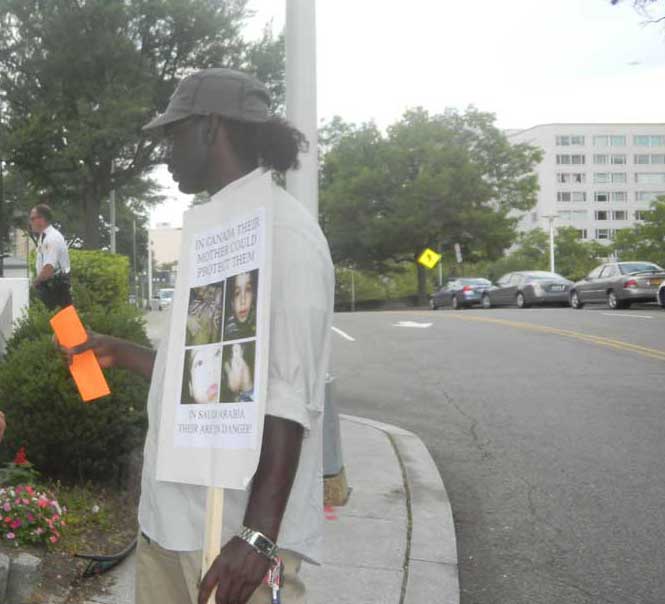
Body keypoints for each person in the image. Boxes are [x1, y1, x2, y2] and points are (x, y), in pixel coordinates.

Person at [57, 68, 334, 604]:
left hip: (228, 542)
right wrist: (119, 351)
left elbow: (286, 395)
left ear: (212, 127)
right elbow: (217, 371)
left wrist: (256, 538)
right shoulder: (217, 228)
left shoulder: (283, 234)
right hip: (173, 523)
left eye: (173, 134)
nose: (166, 152)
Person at [30, 204, 72, 310]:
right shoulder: (45, 237)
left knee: (63, 324)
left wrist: (34, 284)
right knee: (64, 324)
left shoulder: (51, 238)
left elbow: (48, 269)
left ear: (41, 219)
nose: (31, 222)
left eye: (32, 218)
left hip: (55, 288)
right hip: (54, 287)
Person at [224, 271, 257, 340]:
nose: (243, 301)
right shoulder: (227, 333)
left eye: (248, 289)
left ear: (253, 295)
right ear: (232, 302)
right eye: (237, 293)